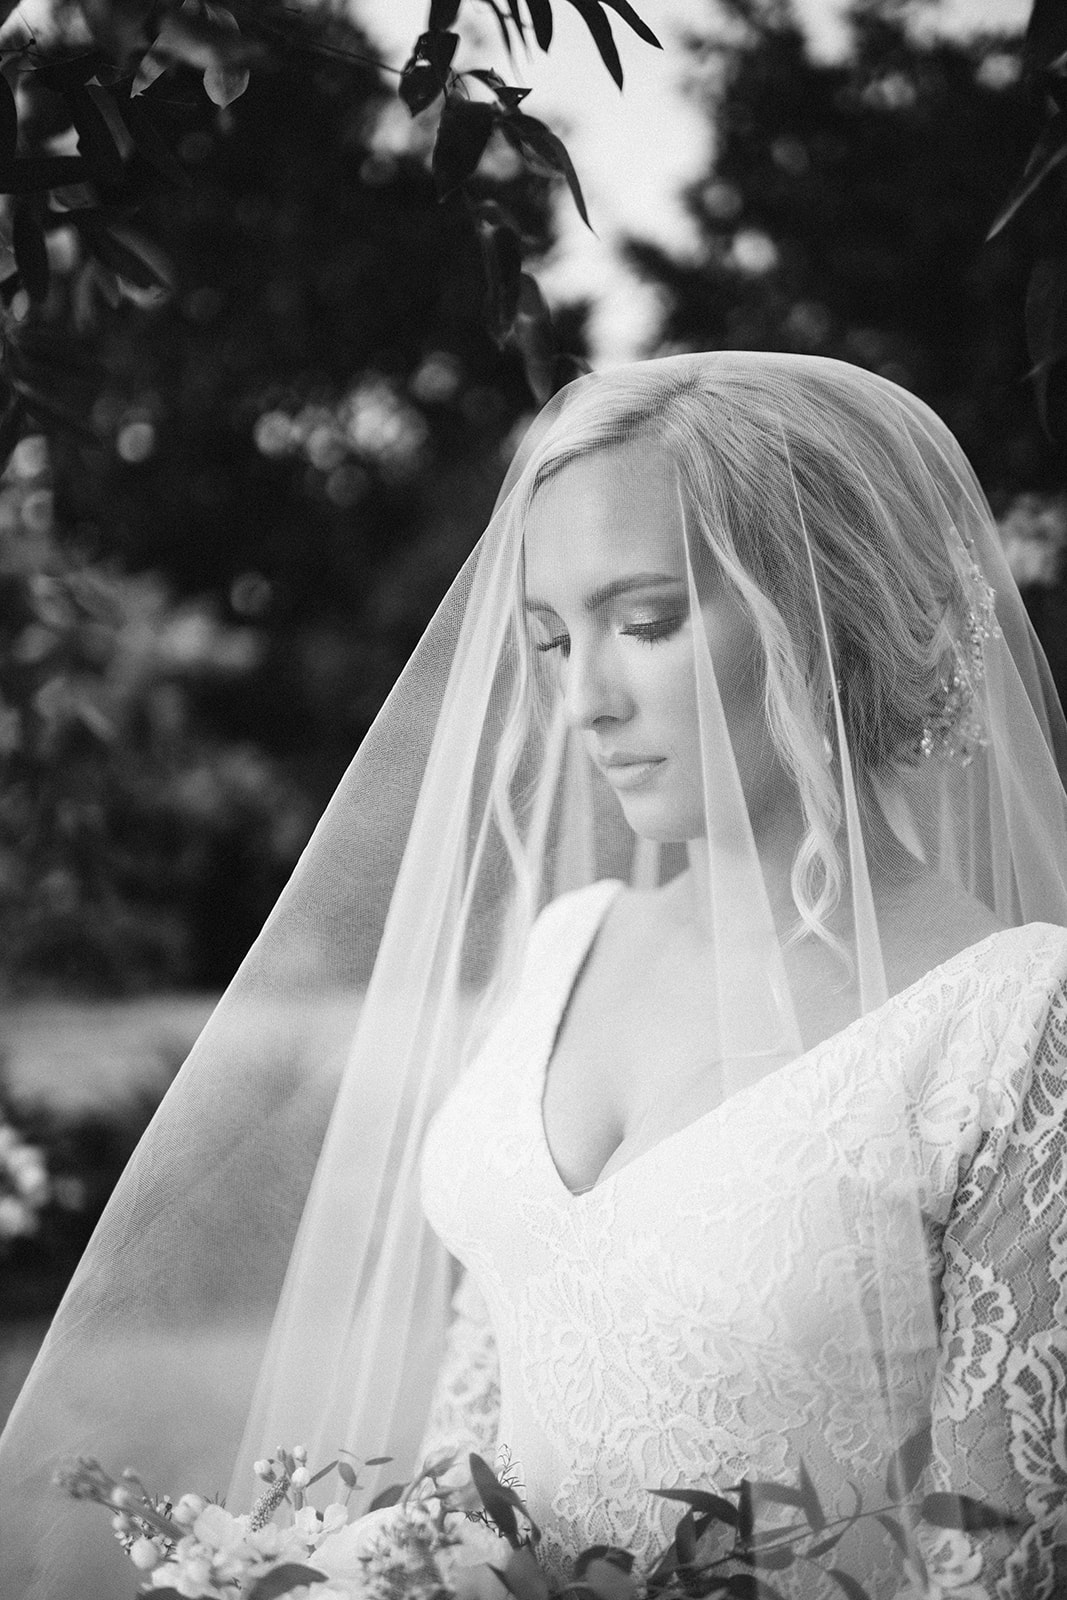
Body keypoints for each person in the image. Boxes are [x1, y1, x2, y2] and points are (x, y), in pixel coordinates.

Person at [2, 352, 1067, 1599]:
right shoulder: (565, 944)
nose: (582, 704)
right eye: (554, 641)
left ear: (830, 613)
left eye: (646, 622)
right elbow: (472, 1452)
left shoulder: (1010, 1020)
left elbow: (994, 1556)